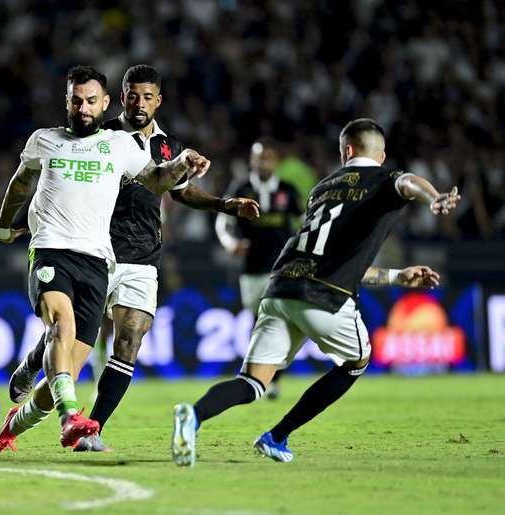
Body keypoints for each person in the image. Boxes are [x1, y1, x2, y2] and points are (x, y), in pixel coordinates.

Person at [171, 118, 460, 466]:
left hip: (280, 288)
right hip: (325, 296)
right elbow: (409, 181)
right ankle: (277, 436)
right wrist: (434, 197)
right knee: (356, 362)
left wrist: (398, 277)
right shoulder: (385, 179)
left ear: (346, 152)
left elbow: (341, 262)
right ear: (380, 156)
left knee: (252, 382)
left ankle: (194, 415)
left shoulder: (321, 189)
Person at [7, 64, 259, 452]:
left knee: (130, 340)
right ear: (120, 96)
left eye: (147, 97)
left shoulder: (168, 146)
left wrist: (225, 204)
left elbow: (180, 191)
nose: (139, 103)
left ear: (159, 100)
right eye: (132, 95)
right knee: (67, 338)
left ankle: (92, 429)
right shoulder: (99, 135)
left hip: (142, 258)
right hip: (96, 251)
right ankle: (34, 364)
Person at [215, 138, 302, 399]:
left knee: (281, 321)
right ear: (251, 160)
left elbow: (303, 223)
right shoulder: (241, 188)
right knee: (258, 324)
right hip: (251, 269)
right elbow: (222, 223)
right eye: (258, 157)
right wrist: (230, 243)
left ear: (276, 161)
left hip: (282, 268)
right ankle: (259, 375)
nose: (262, 162)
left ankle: (273, 379)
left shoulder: (289, 190)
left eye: (267, 157)